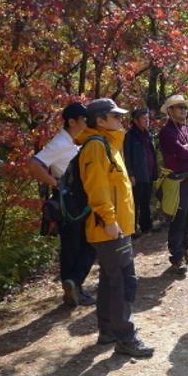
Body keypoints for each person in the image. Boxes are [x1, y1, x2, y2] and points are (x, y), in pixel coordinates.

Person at [77, 98, 153, 357]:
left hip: (116, 226)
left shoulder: (109, 144)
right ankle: (125, 337)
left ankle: (108, 330)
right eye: (115, 116)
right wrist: (110, 221)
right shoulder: (96, 147)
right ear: (100, 120)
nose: (121, 120)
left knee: (111, 280)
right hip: (108, 228)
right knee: (123, 281)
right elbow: (96, 189)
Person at [27, 102, 96, 306]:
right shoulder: (59, 143)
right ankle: (75, 285)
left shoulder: (73, 141)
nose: (86, 122)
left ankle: (72, 287)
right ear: (71, 121)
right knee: (82, 244)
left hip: (76, 198)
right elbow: (34, 164)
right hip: (69, 200)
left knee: (75, 245)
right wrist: (56, 184)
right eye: (83, 119)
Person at [158, 95, 188, 274]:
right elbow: (181, 153)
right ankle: (176, 256)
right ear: (170, 110)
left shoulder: (187, 130)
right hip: (177, 182)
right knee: (178, 219)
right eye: (179, 107)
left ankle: (185, 248)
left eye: (185, 107)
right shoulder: (166, 132)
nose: (183, 110)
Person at [123, 108, 158, 235]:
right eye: (144, 118)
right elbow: (127, 156)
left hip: (148, 173)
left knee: (146, 201)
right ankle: (132, 229)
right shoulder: (130, 136)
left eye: (148, 118)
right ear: (136, 120)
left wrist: (155, 171)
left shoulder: (148, 134)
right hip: (137, 175)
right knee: (135, 202)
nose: (147, 121)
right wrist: (131, 174)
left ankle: (146, 226)